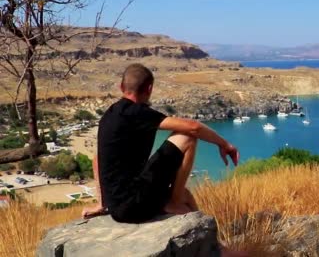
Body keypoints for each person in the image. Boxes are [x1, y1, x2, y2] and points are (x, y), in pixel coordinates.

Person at [81, 63, 239, 223]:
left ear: (121, 87)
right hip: (134, 205)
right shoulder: (138, 113)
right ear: (149, 89)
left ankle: (206, 233)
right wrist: (224, 144)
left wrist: (102, 204)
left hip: (116, 208)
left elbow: (97, 160)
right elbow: (193, 127)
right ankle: (176, 205)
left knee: (185, 194)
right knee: (187, 138)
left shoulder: (108, 115)